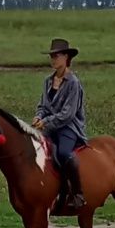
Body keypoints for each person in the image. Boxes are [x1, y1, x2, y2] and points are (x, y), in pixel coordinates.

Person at [32, 38, 88, 209]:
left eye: (56, 56)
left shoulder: (73, 83)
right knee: (34, 147)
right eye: (52, 56)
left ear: (66, 58)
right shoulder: (47, 81)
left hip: (69, 127)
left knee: (63, 153)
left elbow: (67, 114)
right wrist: (38, 117)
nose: (53, 59)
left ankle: (78, 193)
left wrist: (46, 122)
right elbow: (43, 105)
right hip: (49, 126)